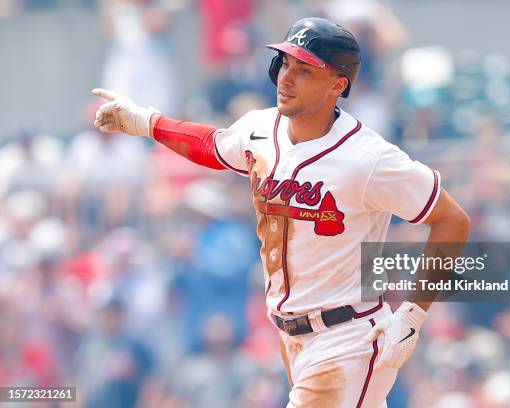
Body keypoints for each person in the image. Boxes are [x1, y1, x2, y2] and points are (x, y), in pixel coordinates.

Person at [92, 17, 470, 408]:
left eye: (304, 70)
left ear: (337, 85)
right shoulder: (260, 129)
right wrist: (147, 122)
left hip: (349, 337)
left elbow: (452, 219)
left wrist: (412, 315)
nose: (286, 78)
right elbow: (215, 146)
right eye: (285, 63)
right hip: (292, 338)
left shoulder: (368, 159)